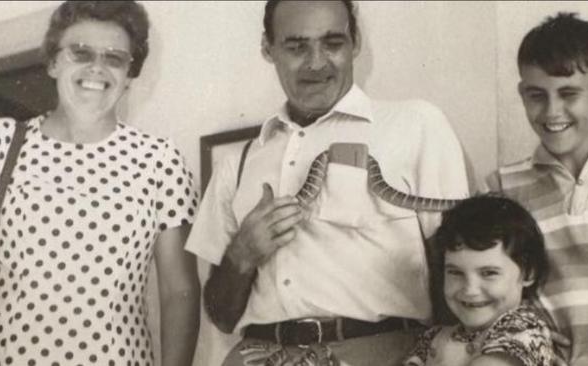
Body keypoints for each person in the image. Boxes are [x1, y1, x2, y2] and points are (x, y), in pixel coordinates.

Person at [185, 1, 469, 365]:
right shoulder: (236, 164)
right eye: (296, 46)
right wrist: (242, 253)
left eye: (332, 42)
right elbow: (221, 316)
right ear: (267, 48)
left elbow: (459, 273)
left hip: (383, 352)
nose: (316, 63)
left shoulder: (417, 126)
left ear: (356, 42)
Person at [0, 1, 200, 365]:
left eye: (114, 58)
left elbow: (178, 290)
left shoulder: (160, 161)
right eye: (81, 52)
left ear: (130, 72)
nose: (97, 68)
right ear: (54, 62)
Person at [486, 12, 588, 365]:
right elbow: (497, 293)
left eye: (568, 93)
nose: (552, 111)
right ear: (522, 93)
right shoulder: (502, 187)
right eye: (537, 95)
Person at [403, 195, 554, 366]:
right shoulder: (434, 336)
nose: (470, 290)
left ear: (528, 274)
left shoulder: (524, 329)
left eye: (489, 273)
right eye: (455, 272)